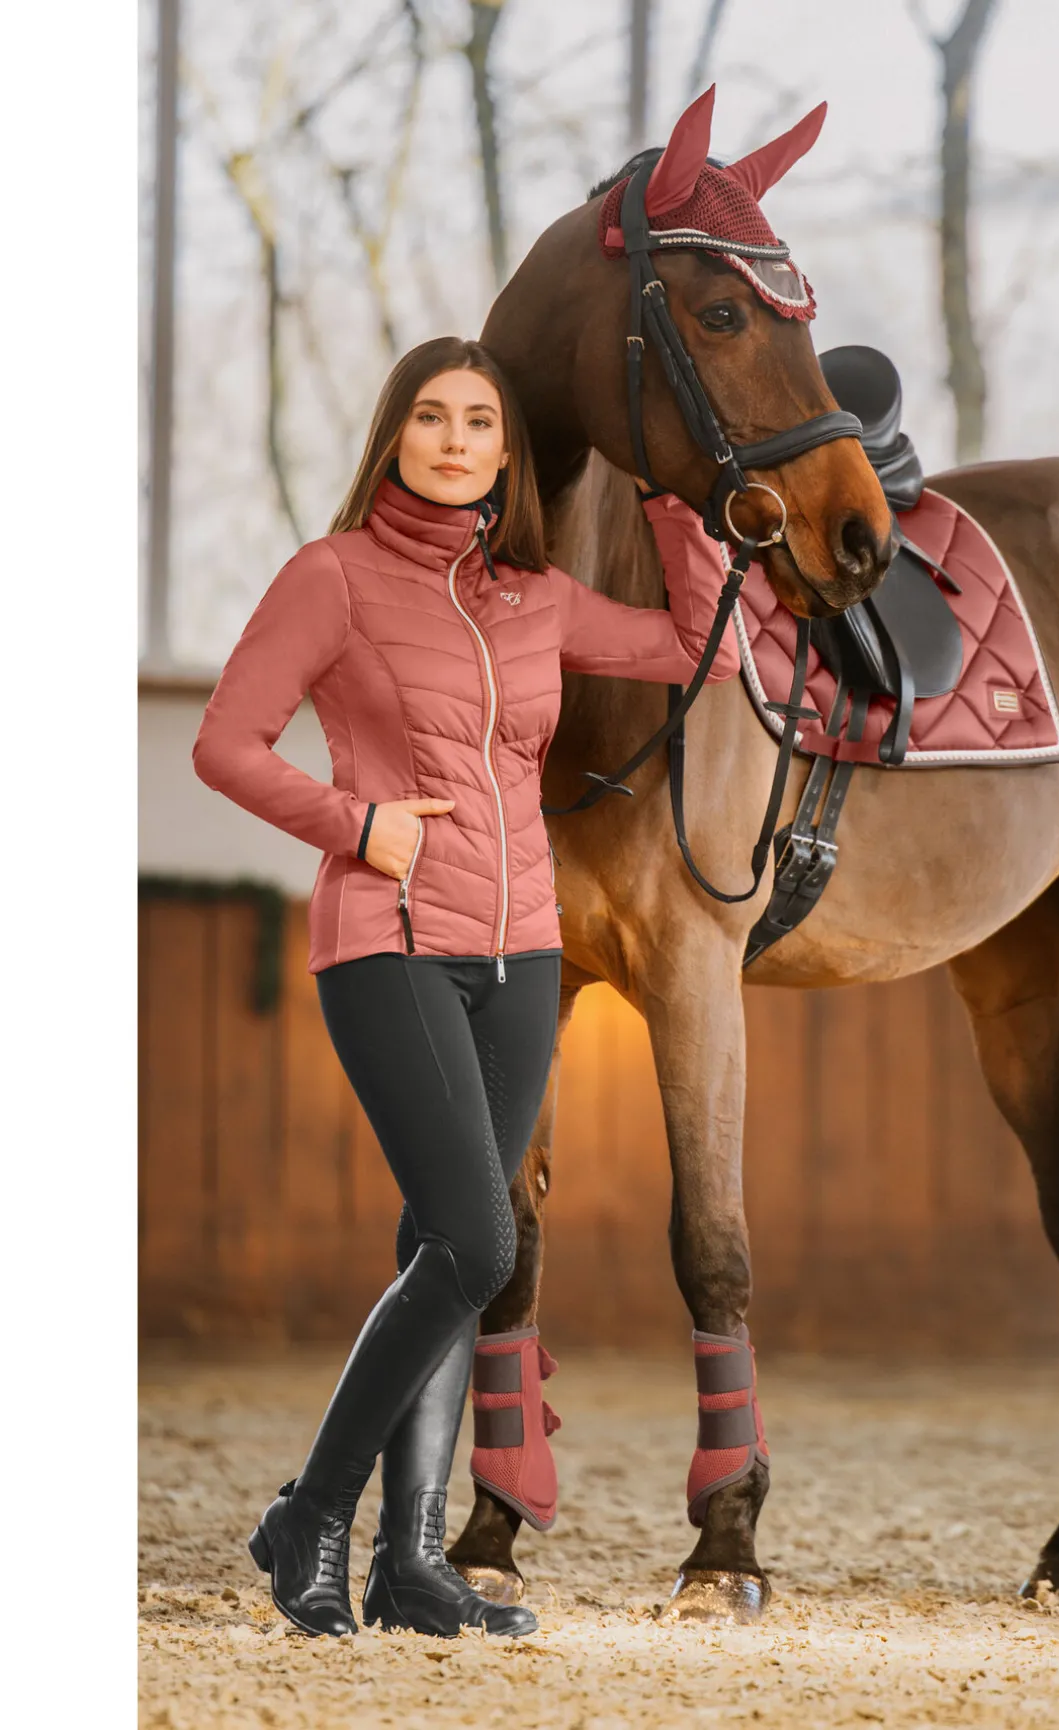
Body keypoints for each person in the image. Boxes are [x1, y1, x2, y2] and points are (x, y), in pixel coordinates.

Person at [193, 335, 740, 1638]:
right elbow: (225, 743)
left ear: (506, 452)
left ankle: (409, 1563)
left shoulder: (535, 597)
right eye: (431, 416)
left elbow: (699, 645)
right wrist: (353, 821)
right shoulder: (329, 577)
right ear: (395, 434)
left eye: (479, 421)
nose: (455, 440)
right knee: (483, 1244)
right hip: (387, 938)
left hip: (521, 952)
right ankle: (312, 1516)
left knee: (439, 1247)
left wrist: (670, 492)